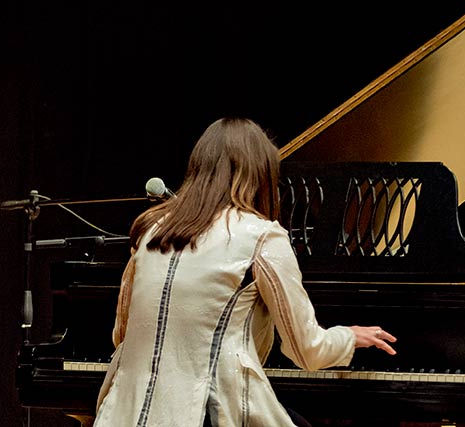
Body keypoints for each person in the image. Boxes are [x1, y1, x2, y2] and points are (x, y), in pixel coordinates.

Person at [92, 117, 397, 427]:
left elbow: (122, 333)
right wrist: (349, 336)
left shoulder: (151, 232)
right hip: (210, 413)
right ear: (261, 174)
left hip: (124, 414)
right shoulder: (261, 237)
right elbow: (307, 351)